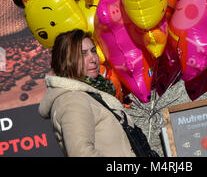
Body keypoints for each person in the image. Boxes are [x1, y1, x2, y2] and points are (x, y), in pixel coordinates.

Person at [39, 29, 154, 157]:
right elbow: (81, 154)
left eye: (93, 51)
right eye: (83, 54)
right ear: (65, 61)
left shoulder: (93, 94)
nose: (93, 58)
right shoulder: (72, 101)